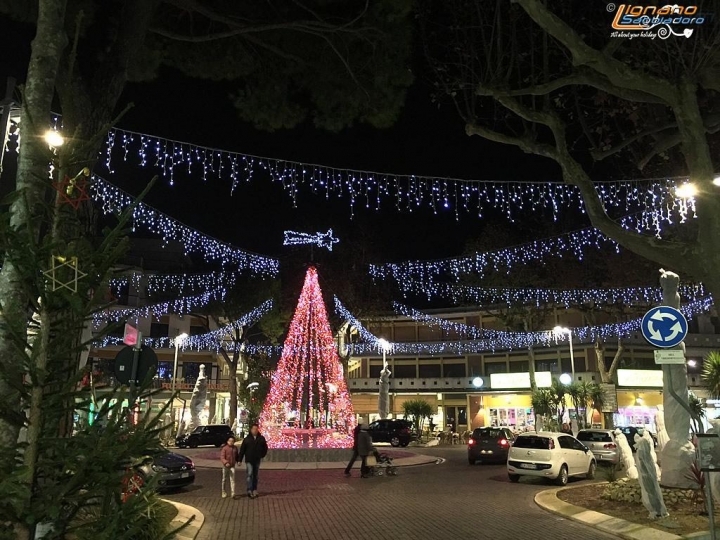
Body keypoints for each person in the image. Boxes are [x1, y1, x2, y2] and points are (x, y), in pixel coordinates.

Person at [239, 424, 268, 498]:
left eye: (256, 429)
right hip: (249, 459)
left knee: (255, 475)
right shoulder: (247, 439)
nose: (255, 430)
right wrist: (239, 460)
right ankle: (249, 489)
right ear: (251, 430)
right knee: (250, 473)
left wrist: (262, 455)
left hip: (257, 459)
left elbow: (265, 448)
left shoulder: (261, 438)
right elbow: (242, 450)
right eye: (253, 429)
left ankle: (254, 489)